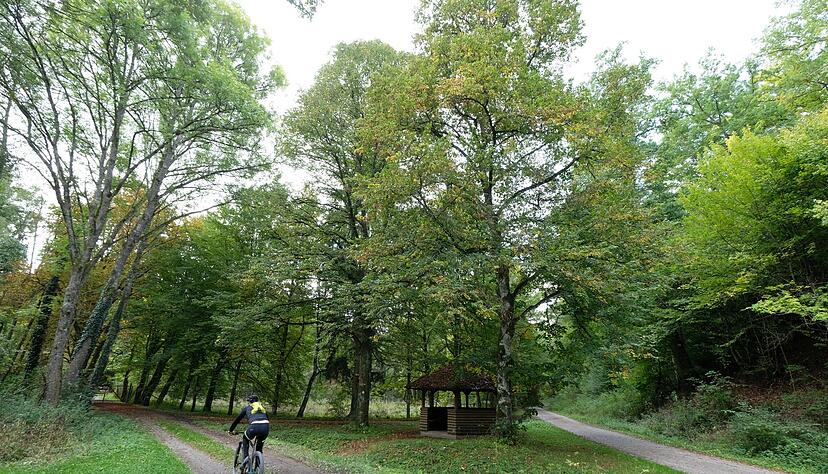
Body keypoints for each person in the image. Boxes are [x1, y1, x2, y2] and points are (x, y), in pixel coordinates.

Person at [228, 394, 270, 462]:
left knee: (245, 438)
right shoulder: (262, 408)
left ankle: (245, 459)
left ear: (250, 402)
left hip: (254, 426)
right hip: (265, 427)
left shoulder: (247, 408)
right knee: (259, 448)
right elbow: (267, 419)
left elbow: (237, 420)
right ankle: (258, 466)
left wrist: (230, 430)